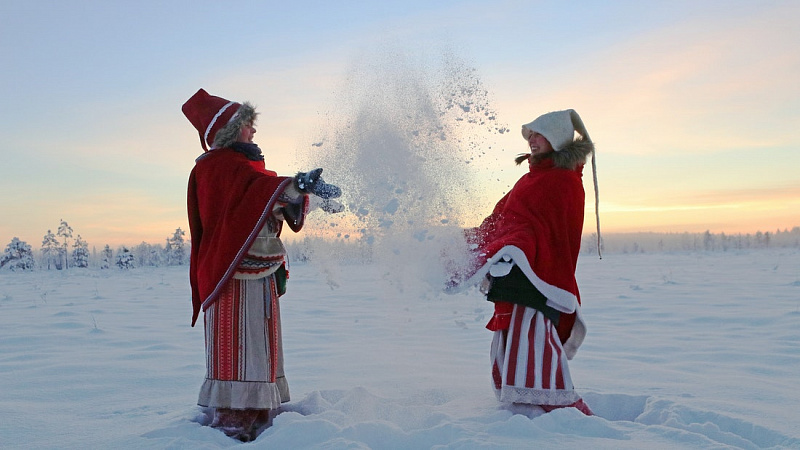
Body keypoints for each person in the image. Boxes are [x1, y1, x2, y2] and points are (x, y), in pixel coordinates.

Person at [182, 88, 342, 441]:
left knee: (258, 344)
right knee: (239, 346)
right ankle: (232, 420)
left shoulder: (245, 169)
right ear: (230, 129)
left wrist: (307, 194)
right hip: (233, 272)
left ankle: (257, 412)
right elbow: (258, 195)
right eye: (246, 124)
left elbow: (265, 198)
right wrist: (295, 186)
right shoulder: (216, 167)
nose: (253, 130)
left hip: (259, 269)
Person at [455, 109, 598, 415]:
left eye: (539, 134)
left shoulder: (563, 181)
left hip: (539, 271)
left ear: (557, 137)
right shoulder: (531, 179)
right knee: (513, 332)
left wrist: (515, 244)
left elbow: (544, 228)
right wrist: (475, 242)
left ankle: (555, 404)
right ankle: (520, 405)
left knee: (533, 332)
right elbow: (503, 218)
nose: (532, 140)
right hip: (514, 268)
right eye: (530, 135)